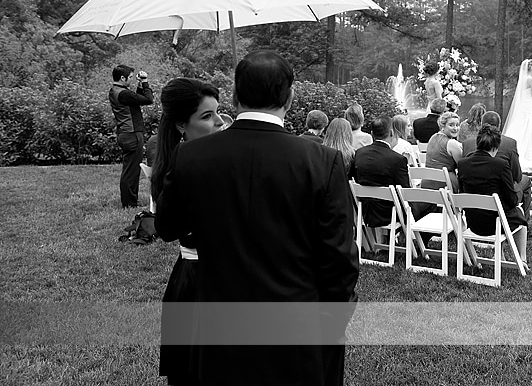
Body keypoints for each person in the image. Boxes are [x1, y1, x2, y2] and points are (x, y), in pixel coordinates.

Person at [155, 50, 359, 386]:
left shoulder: (192, 156)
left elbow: (167, 226)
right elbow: (339, 259)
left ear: (234, 98)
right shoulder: (323, 162)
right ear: (290, 98)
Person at [150, 78, 225, 386]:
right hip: (197, 282)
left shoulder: (222, 157)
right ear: (182, 124)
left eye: (219, 112)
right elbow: (167, 229)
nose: (219, 121)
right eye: (207, 116)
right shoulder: (178, 167)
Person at [458, 125, 528, 267]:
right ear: (496, 147)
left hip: (473, 222)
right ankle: (522, 259)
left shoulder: (462, 164)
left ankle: (501, 255)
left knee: (506, 211)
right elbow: (512, 199)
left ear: (478, 143)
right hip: (495, 223)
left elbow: (462, 191)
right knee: (520, 218)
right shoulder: (501, 165)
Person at [462, 111, 531, 222]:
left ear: (481, 124)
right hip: (500, 195)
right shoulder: (509, 143)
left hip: (473, 197)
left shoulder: (467, 143)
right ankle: (525, 222)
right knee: (525, 181)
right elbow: (516, 176)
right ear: (499, 125)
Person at [352, 116, 411, 227]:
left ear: (372, 134)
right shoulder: (398, 159)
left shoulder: (359, 153)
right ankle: (418, 240)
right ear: (392, 133)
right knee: (427, 205)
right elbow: (405, 192)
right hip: (390, 213)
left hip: (364, 211)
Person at [109, 64, 154, 209]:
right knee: (131, 170)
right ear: (122, 78)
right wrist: (145, 82)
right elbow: (148, 99)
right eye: (129, 77)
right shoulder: (124, 94)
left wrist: (140, 84)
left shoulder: (116, 91)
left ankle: (130, 200)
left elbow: (137, 99)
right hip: (132, 134)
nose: (131, 80)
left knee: (130, 168)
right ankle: (129, 203)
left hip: (125, 133)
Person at [503, 59, 532, 171]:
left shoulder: (523, 79)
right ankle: (530, 156)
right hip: (530, 107)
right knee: (530, 130)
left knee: (524, 129)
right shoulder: (531, 80)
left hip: (525, 106)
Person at [423, 111, 463, 192]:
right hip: (445, 184)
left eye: (457, 125)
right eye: (451, 125)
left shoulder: (433, 137)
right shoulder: (452, 143)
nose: (455, 128)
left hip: (427, 182)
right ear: (443, 126)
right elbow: (462, 166)